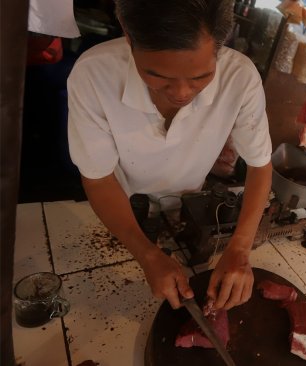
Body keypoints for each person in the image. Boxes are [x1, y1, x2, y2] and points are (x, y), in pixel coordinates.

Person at [67, 0, 272, 311]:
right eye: (158, 76)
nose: (181, 94)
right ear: (127, 34)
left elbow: (259, 165)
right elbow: (97, 178)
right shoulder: (93, 75)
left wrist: (240, 247)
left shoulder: (240, 78)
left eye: (200, 77)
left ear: (220, 45)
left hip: (186, 204)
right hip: (119, 209)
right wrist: (146, 253)